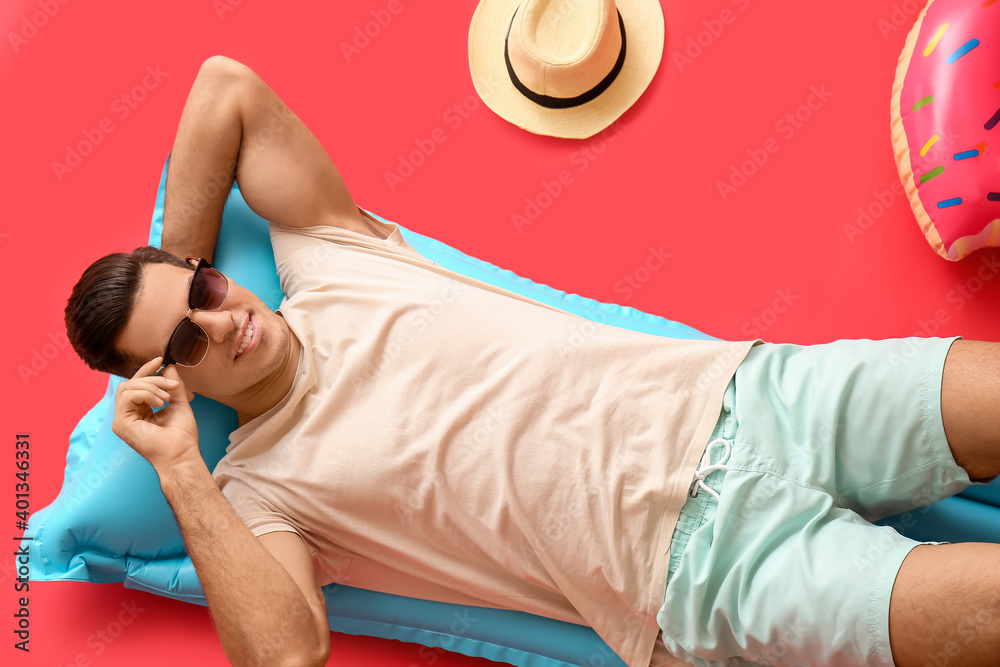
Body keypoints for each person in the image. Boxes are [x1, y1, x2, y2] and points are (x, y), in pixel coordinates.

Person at [62, 56, 1000, 667]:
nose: (221, 319)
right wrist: (178, 462)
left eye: (208, 289)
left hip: (755, 396)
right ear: (169, 377)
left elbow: (224, 87)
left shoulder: (327, 255)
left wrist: (173, 268)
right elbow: (284, 654)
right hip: (710, 572)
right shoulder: (259, 490)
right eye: (185, 341)